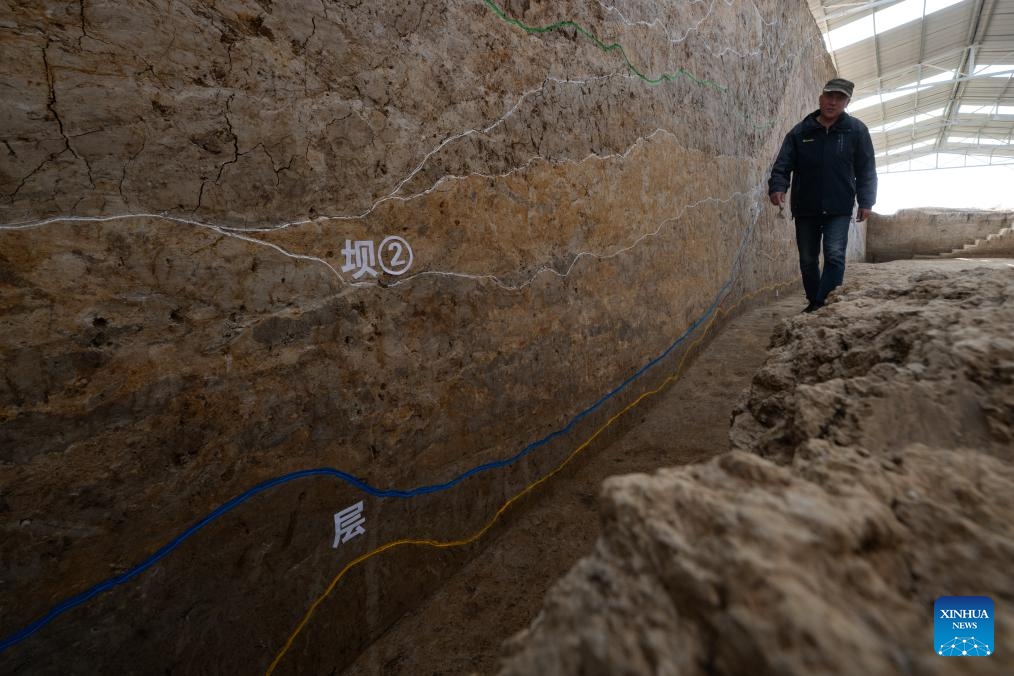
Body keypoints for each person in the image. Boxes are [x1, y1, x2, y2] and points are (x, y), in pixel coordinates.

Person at [768, 77, 878, 313]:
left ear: (847, 102)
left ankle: (822, 304)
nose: (833, 102)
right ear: (821, 98)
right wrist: (778, 186)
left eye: (840, 98)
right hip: (806, 207)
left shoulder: (856, 131)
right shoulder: (801, 131)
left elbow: (866, 169)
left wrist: (866, 201)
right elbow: (783, 163)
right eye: (829, 96)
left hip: (838, 207)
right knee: (808, 260)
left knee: (835, 254)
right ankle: (814, 299)